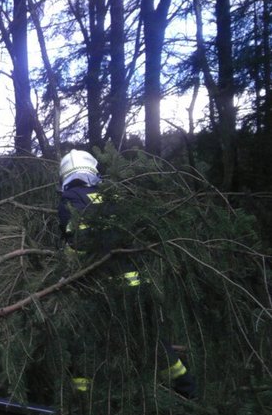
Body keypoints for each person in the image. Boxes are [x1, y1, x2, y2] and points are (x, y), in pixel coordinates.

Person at [57, 150, 197, 398]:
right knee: (154, 344)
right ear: (93, 171)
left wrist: (66, 267)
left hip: (98, 290)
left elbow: (78, 244)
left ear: (66, 175)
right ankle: (188, 393)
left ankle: (81, 405)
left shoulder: (68, 200)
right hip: (136, 286)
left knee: (86, 346)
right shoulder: (115, 196)